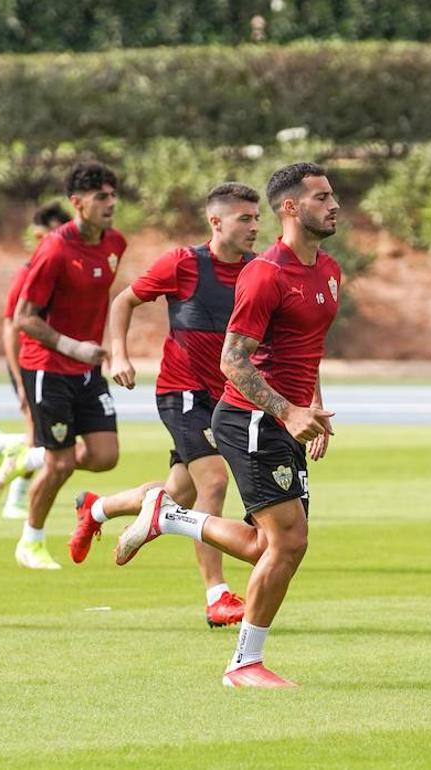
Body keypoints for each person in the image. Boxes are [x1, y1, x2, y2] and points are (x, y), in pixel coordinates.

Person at [113, 163, 342, 687]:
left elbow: (307, 351)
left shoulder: (328, 269)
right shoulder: (266, 273)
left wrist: (314, 407)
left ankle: (169, 518)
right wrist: (289, 410)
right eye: (321, 197)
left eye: (333, 196)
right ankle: (244, 664)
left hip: (285, 420)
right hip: (252, 418)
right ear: (291, 208)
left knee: (269, 546)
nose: (334, 206)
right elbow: (233, 362)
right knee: (289, 543)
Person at [69, 182, 262, 628]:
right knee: (212, 481)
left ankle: (97, 508)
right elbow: (124, 300)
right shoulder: (183, 263)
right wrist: (118, 353)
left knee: (180, 493)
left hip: (228, 398)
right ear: (216, 222)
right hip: (183, 392)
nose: (255, 227)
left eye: (256, 219)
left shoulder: (259, 271)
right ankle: (216, 596)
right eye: (244, 219)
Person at [0, 162, 126, 570]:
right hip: (49, 368)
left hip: (87, 370)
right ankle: (30, 541)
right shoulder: (54, 249)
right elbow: (23, 317)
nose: (111, 203)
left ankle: (27, 457)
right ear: (77, 203)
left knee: (105, 456)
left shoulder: (115, 244)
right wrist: (74, 346)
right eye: (100, 197)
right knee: (63, 463)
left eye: (112, 195)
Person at [0, 202, 72, 520]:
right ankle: (16, 499)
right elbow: (11, 326)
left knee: (50, 436)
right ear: (38, 234)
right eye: (53, 233)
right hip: (29, 362)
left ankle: (2, 443)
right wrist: (19, 379)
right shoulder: (28, 273)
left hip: (57, 364)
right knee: (38, 435)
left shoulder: (63, 272)